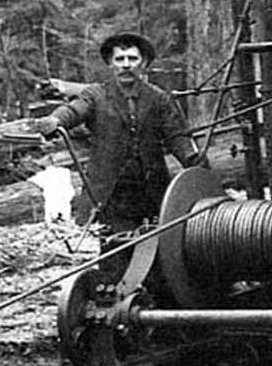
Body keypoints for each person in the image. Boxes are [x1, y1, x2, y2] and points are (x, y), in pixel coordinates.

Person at [32, 32, 207, 254]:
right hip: (110, 194)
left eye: (132, 59)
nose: (126, 65)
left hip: (152, 192)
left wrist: (196, 164)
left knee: (160, 253)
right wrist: (56, 120)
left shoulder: (159, 99)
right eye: (120, 59)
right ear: (110, 63)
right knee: (115, 254)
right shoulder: (95, 95)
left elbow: (178, 137)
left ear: (143, 63)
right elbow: (75, 109)